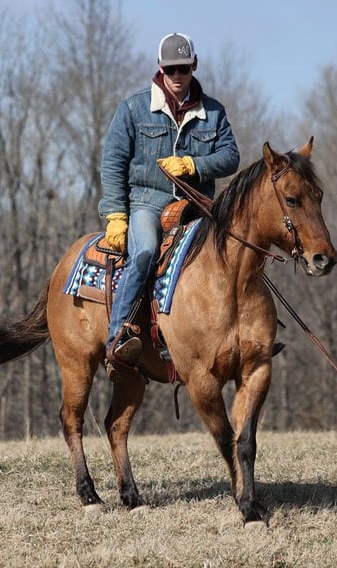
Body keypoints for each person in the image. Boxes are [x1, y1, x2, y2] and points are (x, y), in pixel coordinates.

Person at [99, 32, 240, 371]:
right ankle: (118, 335)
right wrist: (116, 215)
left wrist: (195, 165)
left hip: (198, 206)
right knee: (146, 250)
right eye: (171, 69)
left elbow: (231, 156)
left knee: (235, 249)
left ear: (195, 66)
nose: (178, 77)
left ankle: (246, 331)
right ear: (160, 69)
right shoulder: (133, 108)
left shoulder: (214, 112)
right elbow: (113, 161)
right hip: (147, 202)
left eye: (184, 69)